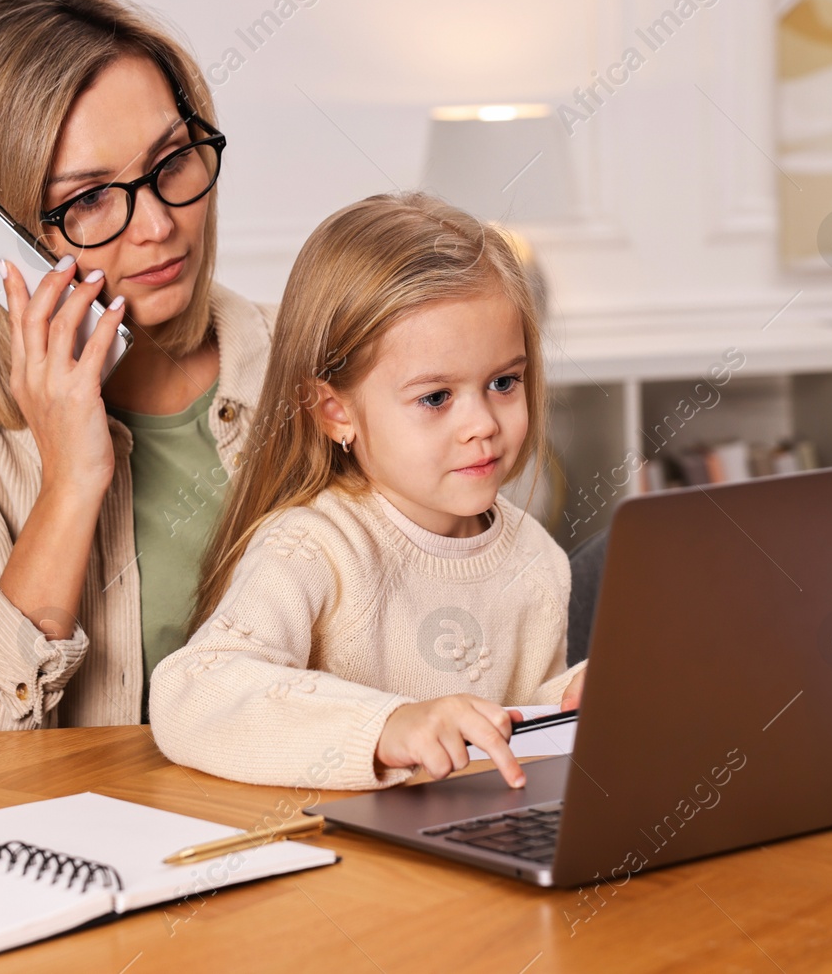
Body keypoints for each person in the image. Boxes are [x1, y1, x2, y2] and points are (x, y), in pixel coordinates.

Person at [0, 0, 276, 736]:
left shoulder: (311, 363)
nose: (160, 224)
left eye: (172, 160)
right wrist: (71, 484)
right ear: (2, 237)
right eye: (90, 198)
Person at [149, 191, 587, 791]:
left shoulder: (535, 556)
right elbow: (192, 694)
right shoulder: (314, 547)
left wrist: (571, 698)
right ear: (335, 412)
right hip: (341, 861)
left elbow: (513, 725)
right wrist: (387, 727)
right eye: (436, 397)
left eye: (504, 382)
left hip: (474, 849)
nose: (483, 423)